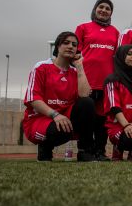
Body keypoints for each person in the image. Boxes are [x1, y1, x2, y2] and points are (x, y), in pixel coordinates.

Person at [23, 32, 96, 162]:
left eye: (74, 44)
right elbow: (33, 99)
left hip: (65, 118)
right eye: (66, 43)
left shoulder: (75, 72)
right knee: (61, 131)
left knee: (87, 103)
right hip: (42, 118)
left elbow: (85, 95)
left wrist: (79, 66)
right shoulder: (41, 67)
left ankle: (85, 151)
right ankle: (45, 147)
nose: (70, 46)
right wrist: (55, 115)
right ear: (57, 46)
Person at [75, 0, 120, 161]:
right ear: (95, 9)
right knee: (87, 117)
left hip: (106, 84)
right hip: (86, 82)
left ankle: (100, 151)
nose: (104, 10)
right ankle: (85, 150)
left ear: (111, 13)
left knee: (102, 120)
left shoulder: (115, 32)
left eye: (108, 8)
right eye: (101, 7)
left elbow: (117, 57)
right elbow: (76, 52)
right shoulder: (82, 28)